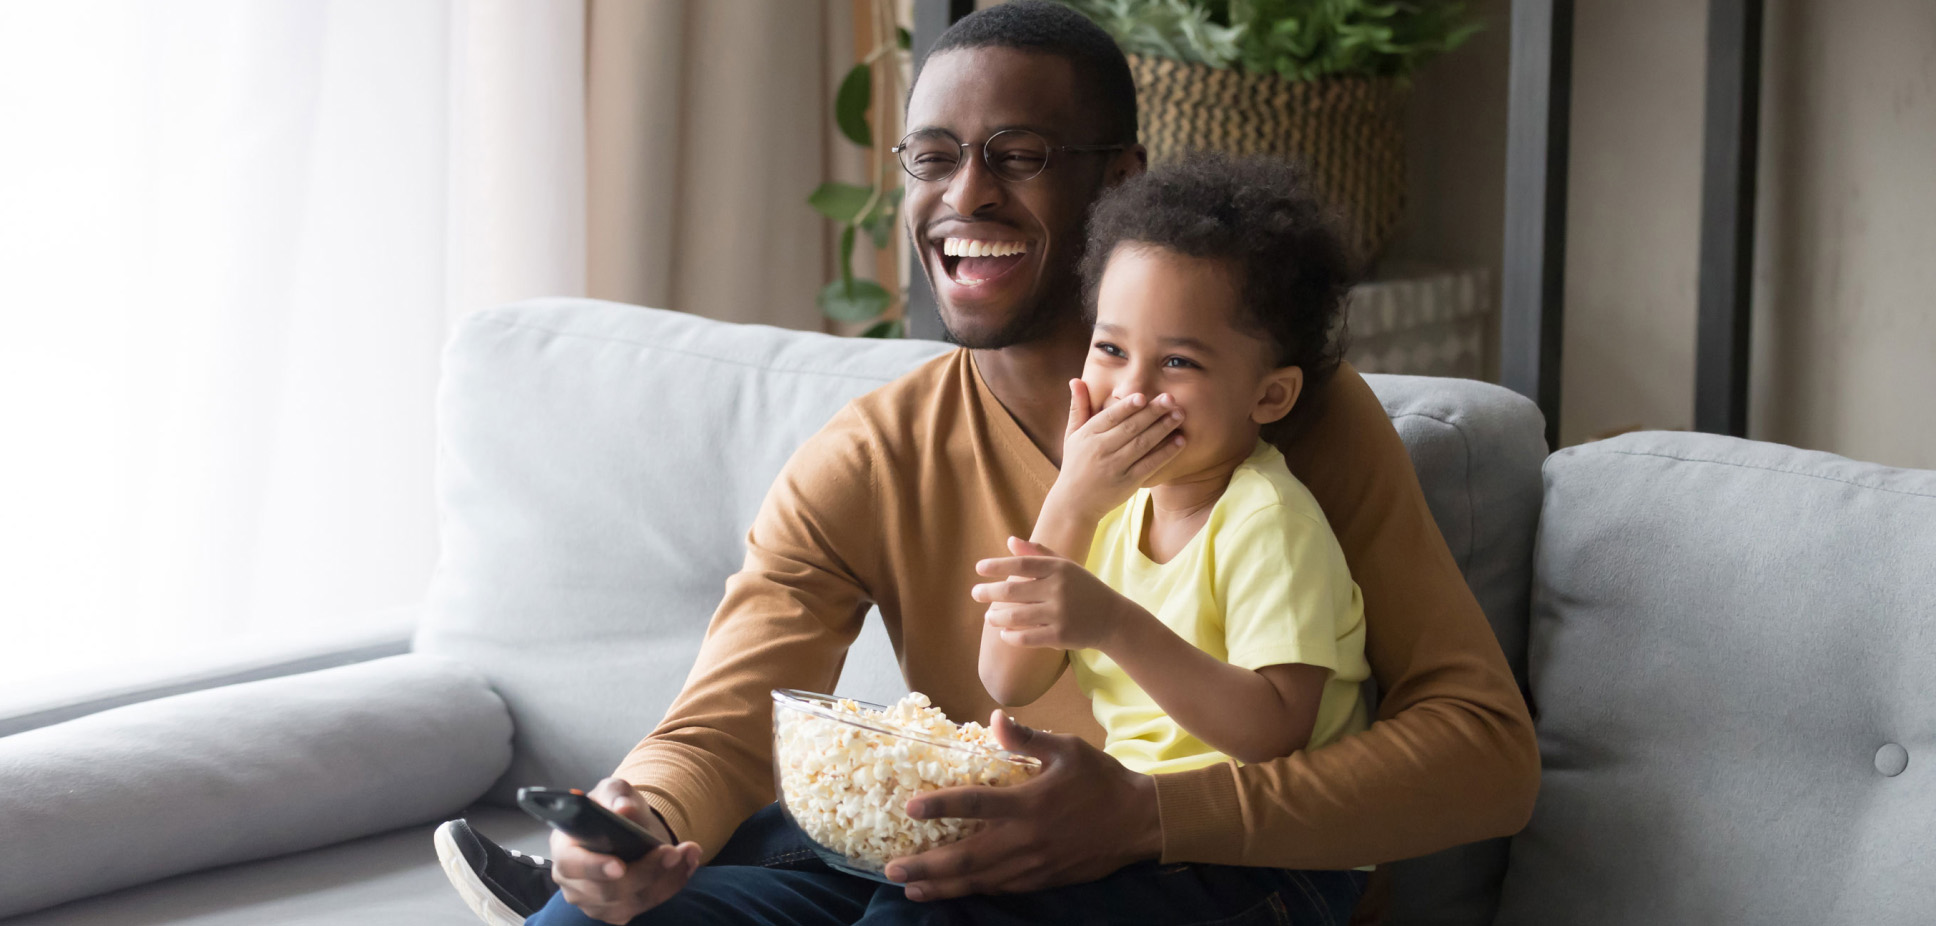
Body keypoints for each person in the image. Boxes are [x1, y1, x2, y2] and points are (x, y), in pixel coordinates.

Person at [435, 3, 1537, 925]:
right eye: (931, 158)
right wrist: (640, 817)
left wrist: (1149, 816)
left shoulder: (1292, 426)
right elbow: (728, 712)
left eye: (1016, 156)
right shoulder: (870, 452)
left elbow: (1483, 755)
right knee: (610, 907)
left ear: (1119, 181)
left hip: (1218, 885)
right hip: (960, 867)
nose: (964, 196)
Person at [973, 154, 1371, 918]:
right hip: (1143, 838)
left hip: (1272, 862)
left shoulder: (1267, 520)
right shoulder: (1111, 509)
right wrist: (1071, 502)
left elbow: (1271, 731)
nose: (1131, 391)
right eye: (1112, 349)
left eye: (1179, 362)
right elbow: (1008, 679)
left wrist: (1115, 623)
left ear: (1270, 394)